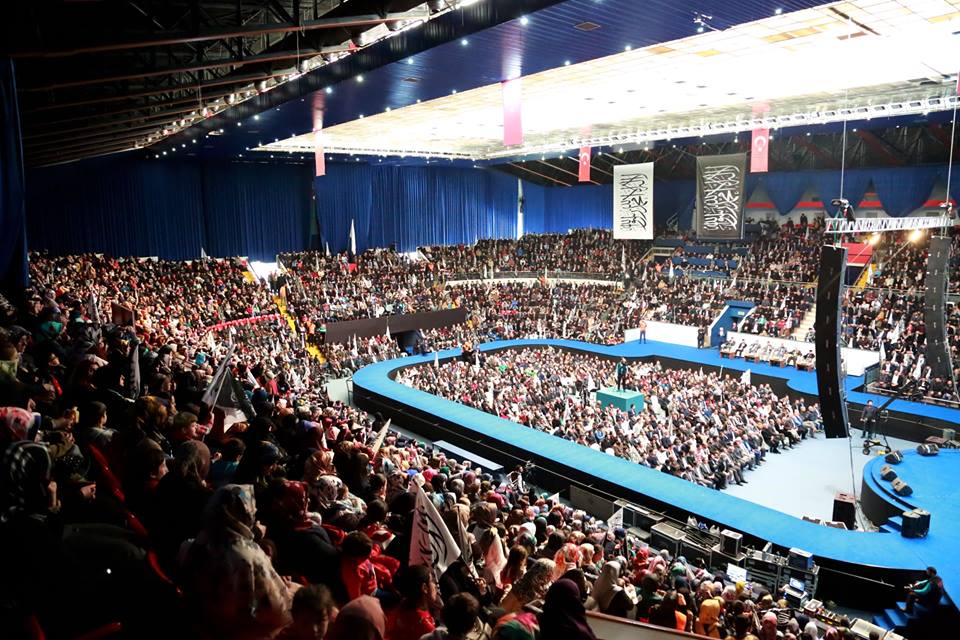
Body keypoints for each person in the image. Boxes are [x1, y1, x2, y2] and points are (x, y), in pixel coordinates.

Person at [179, 484, 293, 640]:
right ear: (244, 514)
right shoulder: (249, 555)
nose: (255, 511)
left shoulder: (196, 543)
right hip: (236, 631)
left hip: (200, 625)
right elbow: (278, 611)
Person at [387, 564, 441, 640]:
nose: (435, 585)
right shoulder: (426, 627)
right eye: (432, 581)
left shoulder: (400, 606)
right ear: (424, 588)